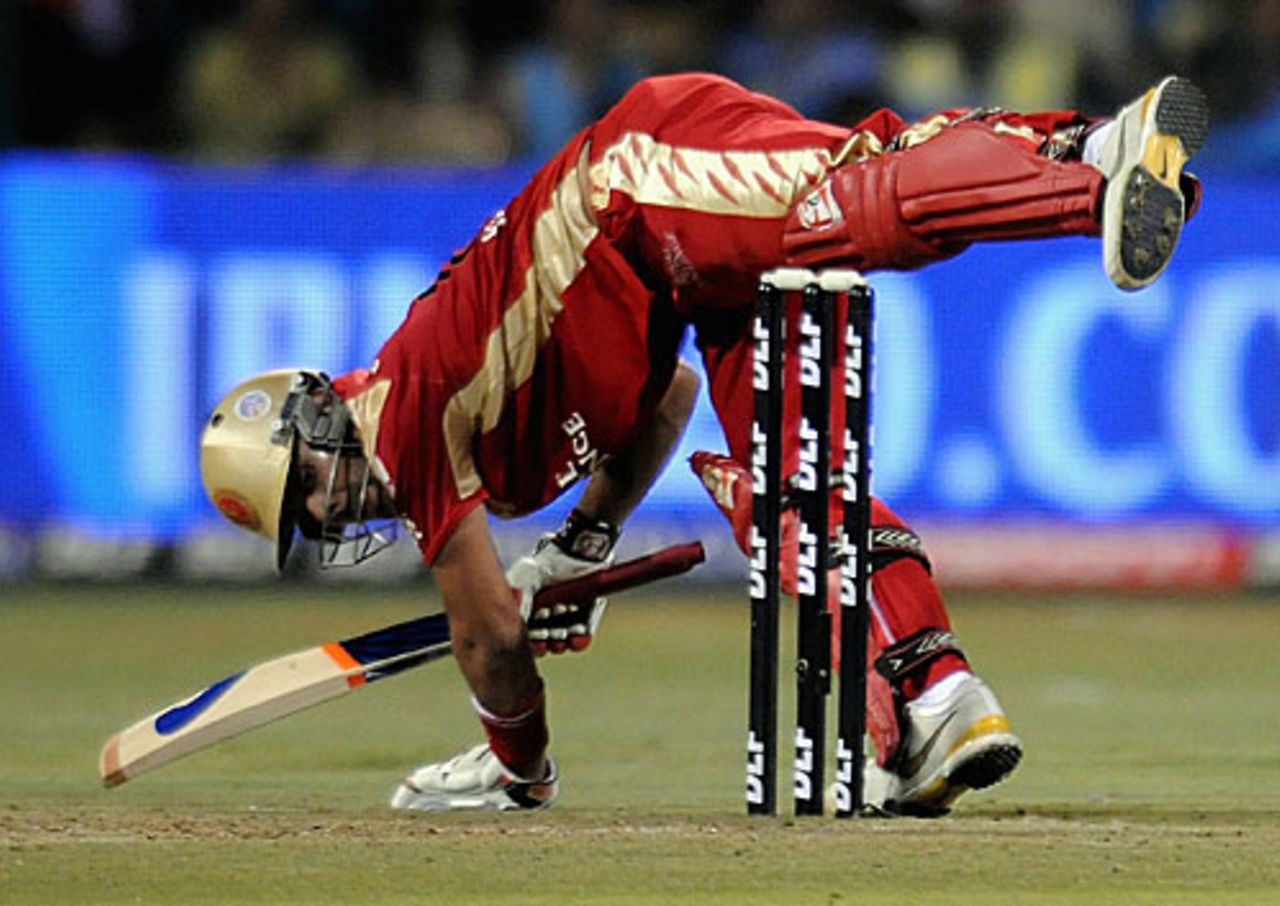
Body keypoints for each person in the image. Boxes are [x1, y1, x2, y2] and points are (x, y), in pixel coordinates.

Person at [199, 71, 1208, 816]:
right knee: (791, 488)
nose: (334, 512)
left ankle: (1084, 186)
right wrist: (584, 543)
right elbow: (665, 396)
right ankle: (937, 697)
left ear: (317, 415)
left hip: (640, 174)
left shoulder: (408, 412)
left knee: (836, 202)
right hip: (677, 294)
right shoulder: (474, 464)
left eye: (312, 487)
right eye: (310, 520)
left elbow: (488, 642)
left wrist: (519, 763)